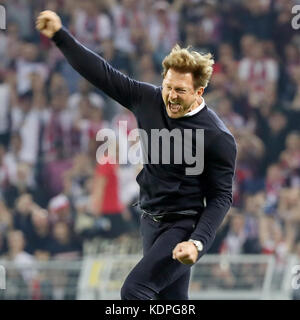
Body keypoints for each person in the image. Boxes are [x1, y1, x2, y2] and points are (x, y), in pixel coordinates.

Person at [36, 10, 237, 300]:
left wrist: (196, 243)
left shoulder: (217, 137)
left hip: (182, 225)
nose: (170, 96)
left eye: (180, 91)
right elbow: (101, 73)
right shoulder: (148, 99)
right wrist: (59, 35)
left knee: (134, 290)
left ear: (199, 91)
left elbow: (221, 197)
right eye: (168, 86)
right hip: (149, 220)